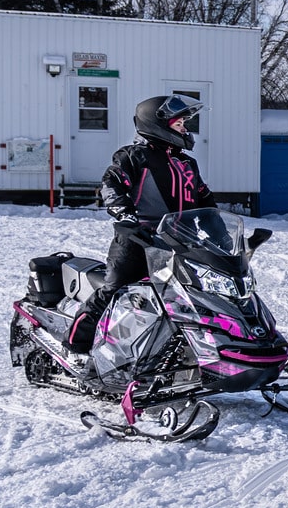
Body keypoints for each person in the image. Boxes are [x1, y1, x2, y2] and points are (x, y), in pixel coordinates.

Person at [74, 94, 215, 351]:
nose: (185, 129)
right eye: (179, 124)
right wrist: (125, 215)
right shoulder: (133, 156)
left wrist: (219, 232)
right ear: (156, 123)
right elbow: (111, 184)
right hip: (137, 240)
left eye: (184, 123)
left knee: (196, 295)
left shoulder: (187, 163)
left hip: (179, 243)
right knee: (114, 288)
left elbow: (205, 200)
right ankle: (78, 344)